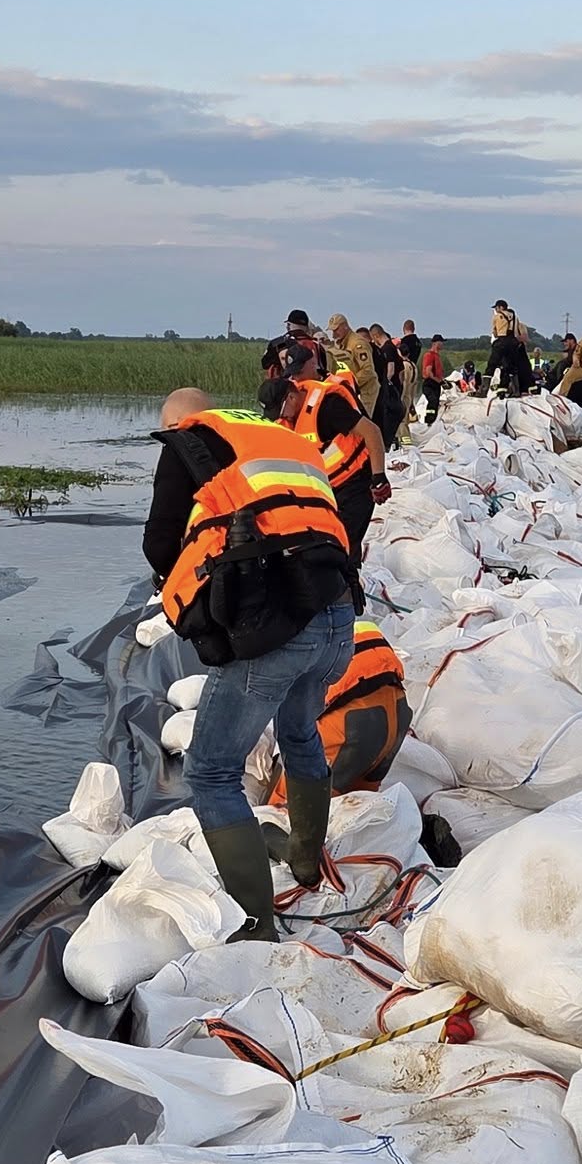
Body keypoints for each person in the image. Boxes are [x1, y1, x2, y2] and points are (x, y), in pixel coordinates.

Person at [143, 388, 359, 937]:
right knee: (299, 730)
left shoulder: (188, 441)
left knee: (211, 771)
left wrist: (195, 604)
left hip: (276, 630)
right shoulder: (281, 438)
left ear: (179, 421)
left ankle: (257, 924)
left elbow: (159, 543)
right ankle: (305, 861)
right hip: (338, 618)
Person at [266, 617, 409, 807]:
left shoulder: (282, 642)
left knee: (294, 806)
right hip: (398, 712)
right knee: (361, 806)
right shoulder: (345, 626)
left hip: (352, 722)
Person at [275, 349, 386, 551]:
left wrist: (378, 478)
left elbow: (372, 431)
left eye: (299, 371)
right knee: (331, 542)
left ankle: (350, 581)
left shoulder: (328, 403)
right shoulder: (293, 405)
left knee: (343, 544)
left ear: (313, 363)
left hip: (357, 479)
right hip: (330, 487)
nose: (297, 377)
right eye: (293, 373)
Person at [259, 308, 328, 411]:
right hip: (314, 394)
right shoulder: (318, 346)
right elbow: (324, 370)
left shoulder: (279, 343)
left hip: (286, 395)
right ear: (306, 326)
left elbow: (265, 364)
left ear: (288, 325)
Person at [329, 313, 381, 421]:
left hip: (366, 390)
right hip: (355, 389)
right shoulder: (343, 343)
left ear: (345, 326)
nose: (333, 334)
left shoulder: (358, 343)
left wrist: (351, 385)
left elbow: (368, 370)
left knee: (362, 422)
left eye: (336, 330)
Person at [366, 324, 407, 444]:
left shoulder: (387, 349)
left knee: (387, 417)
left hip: (390, 391)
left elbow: (391, 369)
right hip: (395, 389)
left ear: (375, 335)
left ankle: (388, 442)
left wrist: (385, 383)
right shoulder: (393, 348)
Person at [489, 299, 529, 396]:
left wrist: (512, 340)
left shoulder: (502, 320)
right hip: (513, 347)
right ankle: (510, 389)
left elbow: (524, 337)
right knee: (509, 368)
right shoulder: (513, 322)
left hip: (512, 348)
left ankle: (510, 389)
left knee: (507, 367)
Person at [419, 338, 446, 417]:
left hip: (436, 384)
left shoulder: (437, 356)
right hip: (430, 383)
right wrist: (439, 381)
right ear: (435, 343)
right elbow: (429, 372)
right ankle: (429, 420)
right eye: (441, 342)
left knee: (435, 402)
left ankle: (433, 419)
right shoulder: (429, 355)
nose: (442, 344)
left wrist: (442, 380)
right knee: (432, 401)